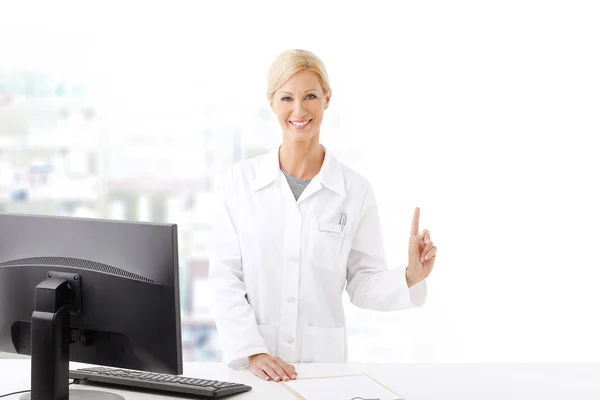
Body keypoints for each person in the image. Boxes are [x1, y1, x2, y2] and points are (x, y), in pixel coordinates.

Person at [208, 49, 437, 382]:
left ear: (327, 99)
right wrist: (253, 351)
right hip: (252, 370)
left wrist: (410, 277)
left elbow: (362, 283)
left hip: (322, 371)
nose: (299, 110)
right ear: (272, 102)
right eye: (287, 98)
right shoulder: (239, 183)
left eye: (310, 96)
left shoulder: (355, 191)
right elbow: (224, 277)